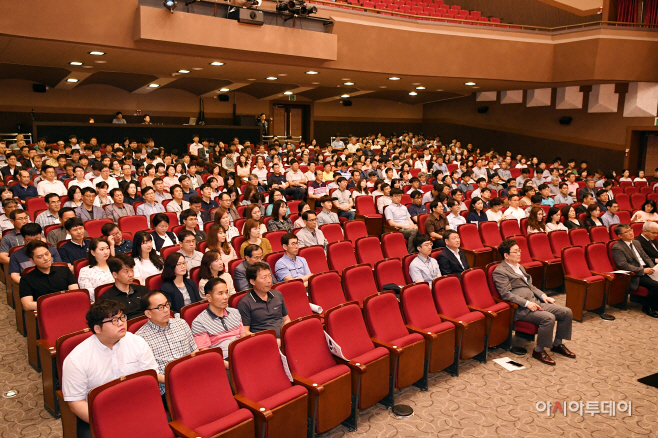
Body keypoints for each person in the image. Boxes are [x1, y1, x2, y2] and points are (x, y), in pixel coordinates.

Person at [62, 300, 159, 437]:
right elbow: (76, 403)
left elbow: (150, 380)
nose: (121, 323)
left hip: (135, 405)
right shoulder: (77, 359)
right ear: (97, 328)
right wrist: (107, 421)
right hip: (98, 414)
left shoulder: (137, 342)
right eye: (114, 320)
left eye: (122, 317)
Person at [492, 239, 575, 365]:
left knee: (566, 312)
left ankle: (557, 344)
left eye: (519, 250)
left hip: (535, 302)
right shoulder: (500, 271)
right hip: (521, 308)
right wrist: (526, 303)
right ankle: (538, 350)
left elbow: (531, 286)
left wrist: (543, 296)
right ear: (506, 255)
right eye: (516, 251)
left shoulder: (520, 267)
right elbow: (506, 294)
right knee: (549, 318)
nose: (519, 253)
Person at [192, 278, 245, 368]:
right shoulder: (199, 322)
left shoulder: (235, 312)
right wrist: (233, 366)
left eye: (226, 292)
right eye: (220, 293)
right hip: (223, 363)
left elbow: (243, 337)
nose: (226, 297)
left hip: (242, 355)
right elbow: (207, 354)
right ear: (209, 298)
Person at [612, 224, 658, 318]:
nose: (630, 233)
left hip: (648, 270)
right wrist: (642, 270)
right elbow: (623, 265)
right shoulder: (617, 247)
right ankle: (649, 307)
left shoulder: (636, 242)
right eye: (626, 232)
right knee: (656, 285)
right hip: (636, 274)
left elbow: (646, 257)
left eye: (630, 230)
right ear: (620, 235)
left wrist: (654, 267)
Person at [17, 240, 75, 312]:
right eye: (39, 257)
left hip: (68, 309)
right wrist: (54, 305)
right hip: (46, 312)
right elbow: (27, 305)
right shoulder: (26, 279)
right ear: (32, 260)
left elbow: (75, 293)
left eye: (47, 254)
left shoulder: (65, 270)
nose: (46, 259)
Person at [237, 262, 290, 340]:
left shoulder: (277, 294)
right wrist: (270, 341)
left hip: (285, 338)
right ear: (252, 281)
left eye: (269, 276)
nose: (269, 281)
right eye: (264, 277)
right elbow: (245, 332)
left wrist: (287, 336)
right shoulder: (245, 303)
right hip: (264, 343)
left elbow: (286, 320)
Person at [99, 254, 150, 319]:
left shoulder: (142, 290)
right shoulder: (106, 299)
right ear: (115, 275)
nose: (131, 274)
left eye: (132, 270)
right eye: (126, 271)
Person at [385, 188, 418, 253]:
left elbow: (409, 219)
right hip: (399, 229)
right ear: (391, 197)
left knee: (420, 229)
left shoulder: (404, 207)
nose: (398, 198)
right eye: (396, 196)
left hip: (408, 227)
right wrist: (408, 227)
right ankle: (411, 252)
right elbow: (391, 223)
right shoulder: (388, 208)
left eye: (399, 196)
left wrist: (413, 226)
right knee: (414, 232)